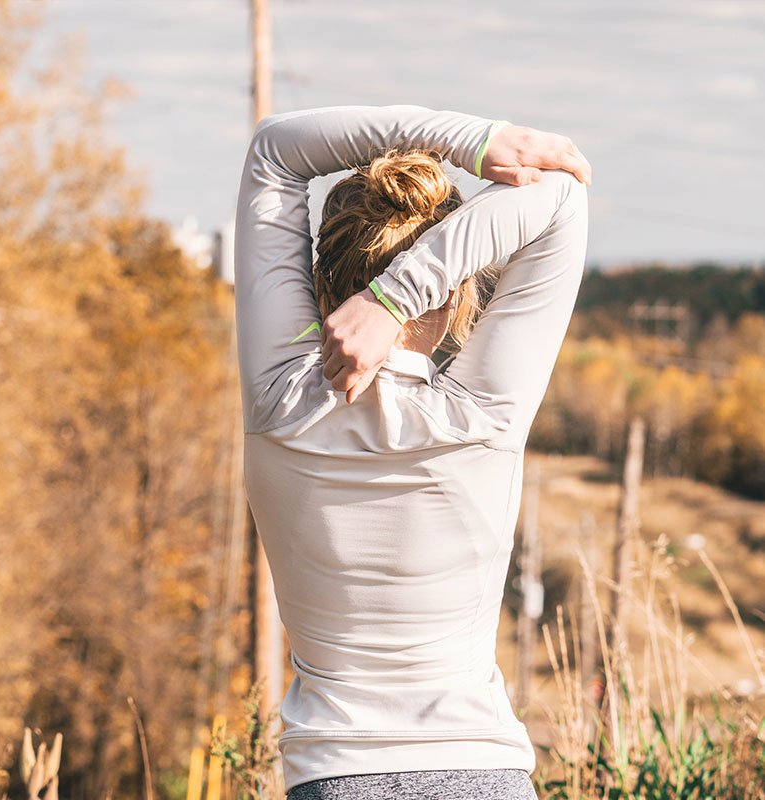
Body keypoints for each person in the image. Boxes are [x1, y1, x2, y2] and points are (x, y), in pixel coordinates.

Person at [232, 105, 590, 800]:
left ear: (320, 273)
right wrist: (396, 300)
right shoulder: (480, 419)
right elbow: (562, 197)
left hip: (335, 779)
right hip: (484, 776)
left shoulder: (279, 403)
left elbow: (275, 151)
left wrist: (472, 144)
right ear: (456, 289)